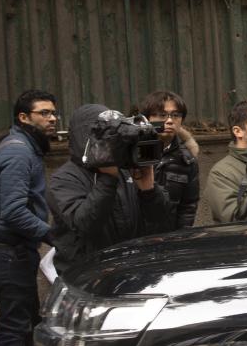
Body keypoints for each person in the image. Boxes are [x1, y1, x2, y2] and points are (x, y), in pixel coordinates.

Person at [48, 104, 173, 278]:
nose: (112, 142)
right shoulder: (63, 179)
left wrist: (149, 191)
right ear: (87, 136)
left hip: (132, 271)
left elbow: (163, 222)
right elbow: (84, 225)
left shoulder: (126, 169)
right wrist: (108, 178)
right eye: (106, 137)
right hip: (87, 278)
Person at [0, 90, 57, 346]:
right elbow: (13, 212)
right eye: (44, 113)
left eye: (54, 112)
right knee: (15, 329)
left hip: (15, 254)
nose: (53, 118)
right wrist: (52, 235)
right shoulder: (18, 153)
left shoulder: (25, 149)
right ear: (23, 117)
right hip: (8, 255)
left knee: (27, 326)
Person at [138, 90, 200, 228]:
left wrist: (180, 238)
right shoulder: (135, 152)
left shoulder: (187, 160)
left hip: (167, 238)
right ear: (147, 119)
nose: (170, 121)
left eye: (176, 115)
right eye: (161, 115)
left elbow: (188, 208)